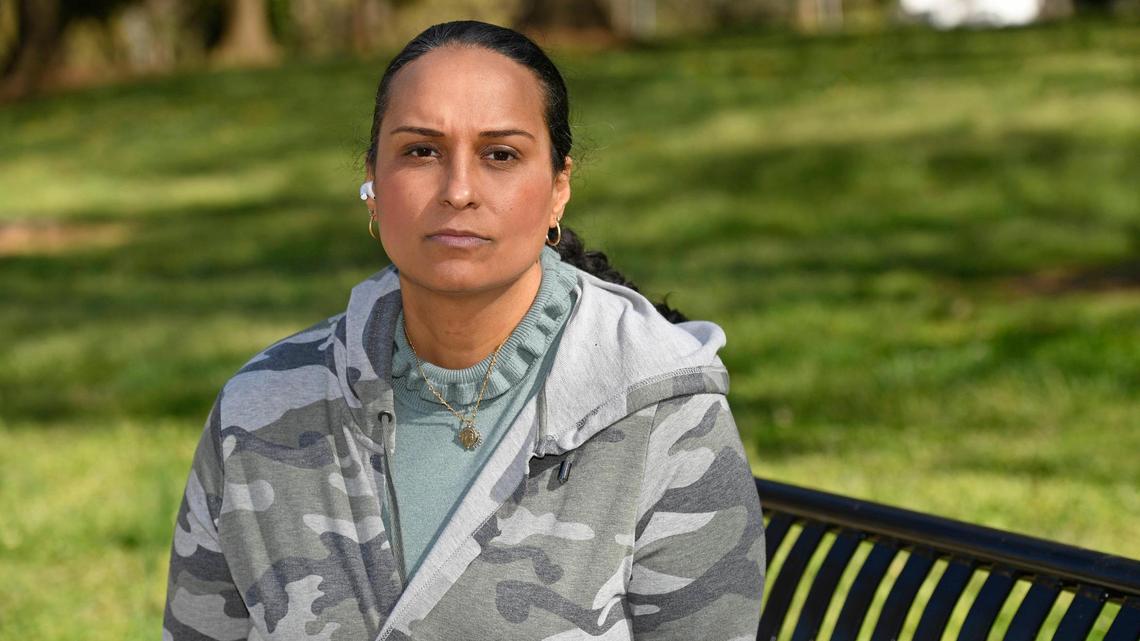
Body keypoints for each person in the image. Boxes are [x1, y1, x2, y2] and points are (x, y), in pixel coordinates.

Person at [163, 20, 764, 641]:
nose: (458, 191)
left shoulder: (664, 413)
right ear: (372, 184)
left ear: (558, 188)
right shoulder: (261, 409)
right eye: (421, 150)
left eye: (500, 155)